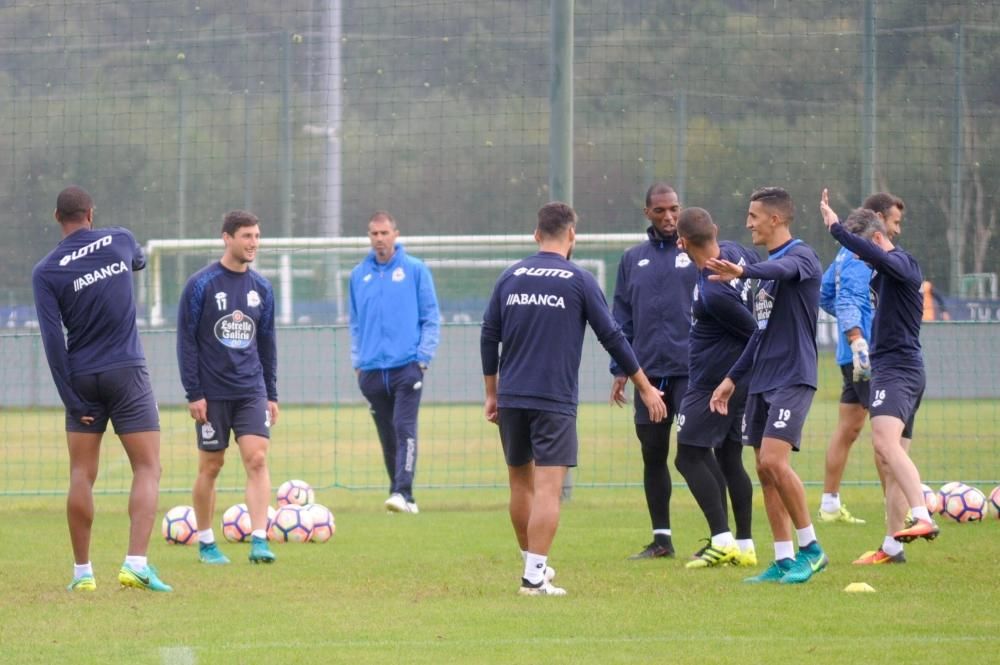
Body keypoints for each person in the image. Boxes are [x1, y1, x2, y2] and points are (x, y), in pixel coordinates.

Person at [481, 202, 667, 596]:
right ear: (571, 236)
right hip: (553, 398)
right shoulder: (578, 280)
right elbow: (613, 336)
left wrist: (491, 393)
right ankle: (533, 577)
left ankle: (533, 564)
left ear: (536, 235)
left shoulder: (510, 277)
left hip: (512, 396)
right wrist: (645, 386)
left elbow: (488, 335)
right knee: (548, 488)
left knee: (520, 484)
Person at [32, 185, 172, 592]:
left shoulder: (46, 271)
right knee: (147, 467)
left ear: (57, 218)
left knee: (81, 473)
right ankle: (136, 564)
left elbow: (52, 339)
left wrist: (69, 397)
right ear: (91, 213)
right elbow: (138, 263)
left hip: (81, 375)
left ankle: (82, 574)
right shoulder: (121, 239)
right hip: (126, 372)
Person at [706, 186, 828, 585]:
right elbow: (758, 334)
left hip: (793, 375)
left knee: (776, 461)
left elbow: (782, 270)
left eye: (754, 216)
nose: (748, 223)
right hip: (761, 380)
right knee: (763, 469)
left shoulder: (801, 257)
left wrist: (743, 272)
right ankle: (783, 558)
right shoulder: (765, 272)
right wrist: (730, 380)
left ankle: (812, 549)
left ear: (776, 219)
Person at [820, 190, 940, 562]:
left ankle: (921, 514)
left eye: (861, 251)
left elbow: (873, 254)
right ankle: (892, 546)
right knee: (891, 460)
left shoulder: (904, 264)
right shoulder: (883, 275)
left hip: (896, 371)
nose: (861, 261)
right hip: (904, 369)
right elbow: (841, 291)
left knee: (884, 445)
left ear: (873, 241)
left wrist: (836, 228)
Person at [177, 210, 279, 565]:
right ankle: (206, 542)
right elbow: (186, 341)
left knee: (257, 458)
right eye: (247, 236)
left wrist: (271, 393)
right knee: (212, 466)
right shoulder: (201, 284)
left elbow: (267, 344)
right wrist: (194, 392)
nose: (254, 243)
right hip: (212, 393)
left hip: (250, 390)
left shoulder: (262, 288)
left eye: (256, 236)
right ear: (227, 238)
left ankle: (260, 540)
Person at [609, 183, 697, 559]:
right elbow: (622, 318)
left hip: (690, 372)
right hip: (647, 376)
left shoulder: (694, 252)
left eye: (674, 209)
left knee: (698, 453)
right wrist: (621, 370)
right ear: (648, 212)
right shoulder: (632, 260)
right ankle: (662, 540)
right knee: (653, 454)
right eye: (660, 210)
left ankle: (725, 537)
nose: (669, 217)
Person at [672, 207, 758, 568]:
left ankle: (722, 540)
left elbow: (757, 332)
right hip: (737, 379)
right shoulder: (738, 252)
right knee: (728, 458)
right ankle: (745, 545)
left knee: (687, 456)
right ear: (716, 231)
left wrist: (729, 381)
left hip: (715, 383)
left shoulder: (713, 291)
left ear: (682, 243)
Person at [817, 191, 906, 526]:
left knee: (849, 428)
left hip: (848, 357)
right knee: (886, 433)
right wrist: (858, 333)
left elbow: (827, 294)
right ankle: (898, 510)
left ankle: (828, 503)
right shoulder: (860, 256)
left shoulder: (843, 252)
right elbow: (848, 298)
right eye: (894, 222)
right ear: (879, 219)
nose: (897, 230)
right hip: (867, 356)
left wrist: (847, 322)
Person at [349, 211, 440, 514]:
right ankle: (403, 496)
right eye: (374, 234)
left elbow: (430, 317)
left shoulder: (415, 270)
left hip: (406, 368)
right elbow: (355, 323)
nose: (379, 239)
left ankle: (402, 491)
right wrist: (358, 362)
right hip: (372, 371)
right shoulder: (358, 275)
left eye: (384, 233)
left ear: (395, 235)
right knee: (387, 435)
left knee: (404, 428)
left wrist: (422, 359)